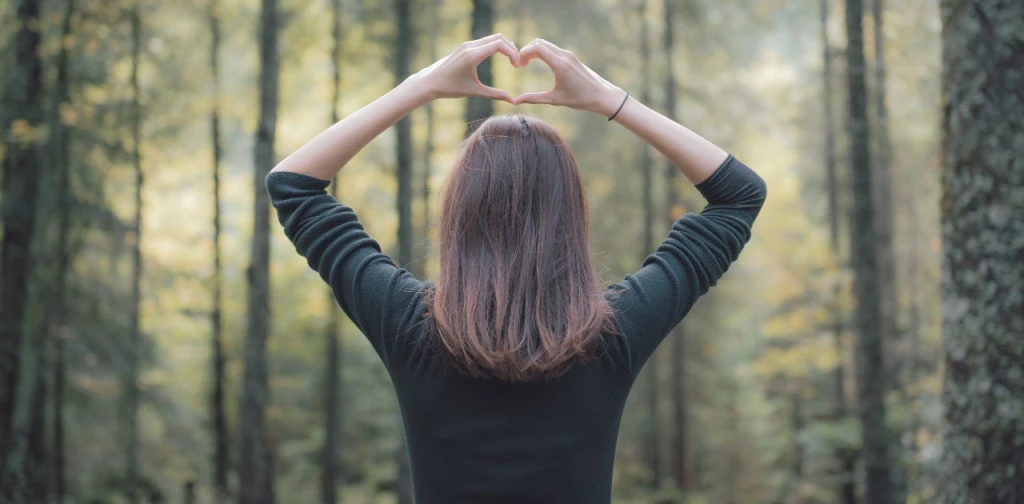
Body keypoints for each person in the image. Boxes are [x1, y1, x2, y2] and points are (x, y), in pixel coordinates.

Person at [267, 34, 767, 504]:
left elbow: (293, 185)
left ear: (460, 210)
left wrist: (421, 87)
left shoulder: (409, 324)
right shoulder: (615, 332)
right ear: (571, 211)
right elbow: (739, 197)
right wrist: (610, 100)